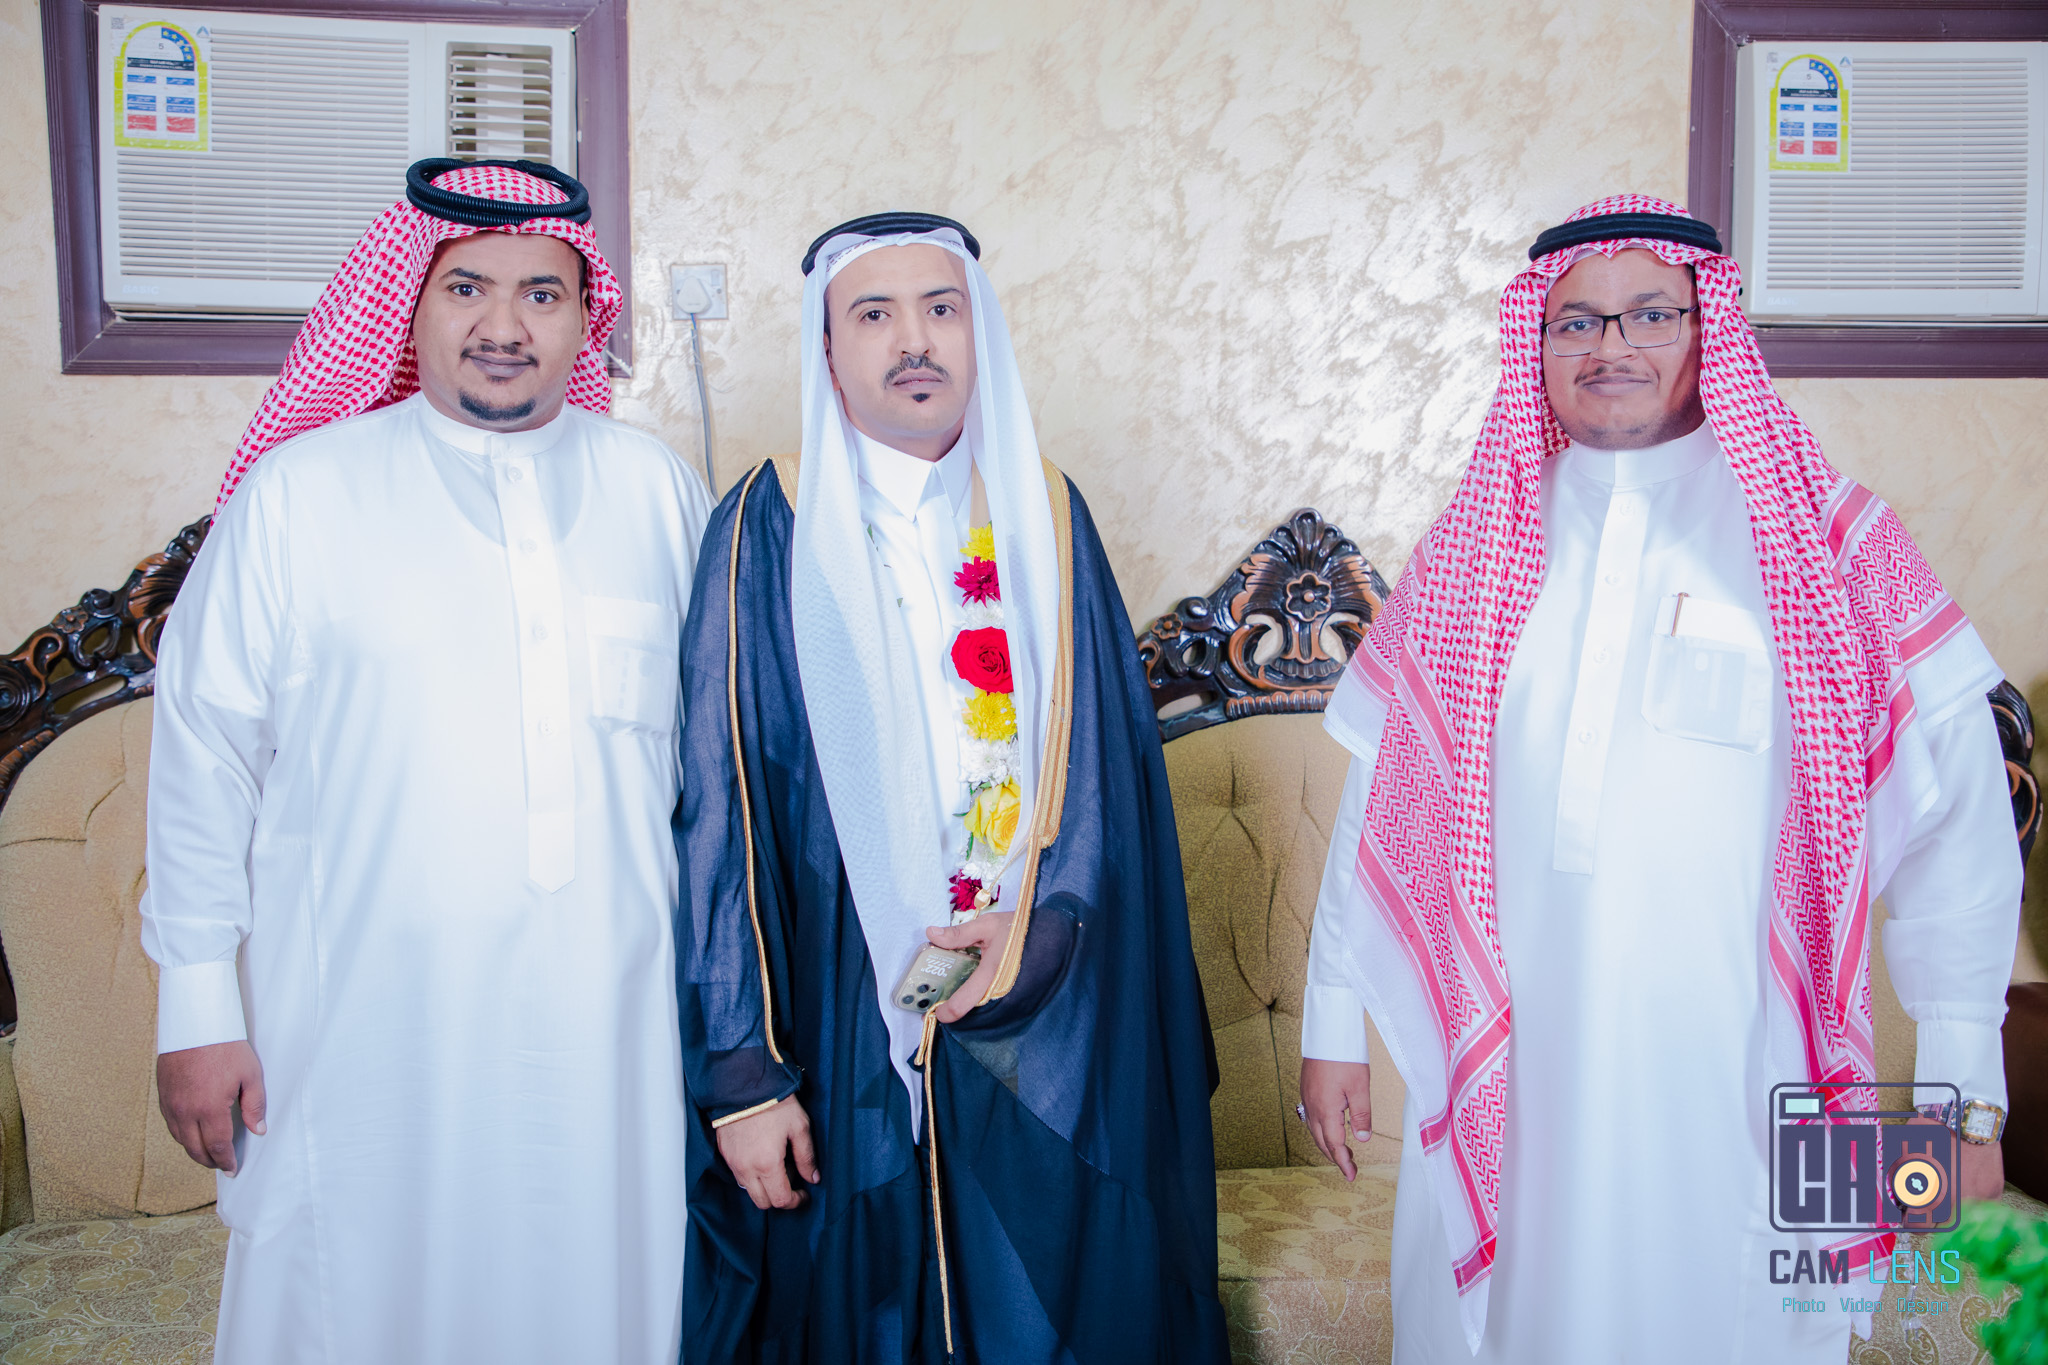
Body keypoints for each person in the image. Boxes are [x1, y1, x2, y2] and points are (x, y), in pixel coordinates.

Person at [1297, 196, 2020, 1364]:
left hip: (1738, 1069)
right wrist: (1332, 1021)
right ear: (1535, 343)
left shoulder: (1826, 544)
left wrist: (1961, 1095)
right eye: (1575, 322)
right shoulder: (1469, 554)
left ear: (1708, 328)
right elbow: (1381, 807)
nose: (1610, 347)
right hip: (1507, 1066)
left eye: (1648, 314)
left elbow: (1959, 829)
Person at [142, 159, 711, 1364]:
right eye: (466, 288)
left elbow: (721, 779)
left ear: (585, 319)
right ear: (408, 303)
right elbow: (203, 756)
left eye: (541, 294)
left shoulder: (659, 493)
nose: (504, 325)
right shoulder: (301, 497)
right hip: (358, 1032)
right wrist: (196, 1005)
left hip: (611, 1040)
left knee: (601, 1291)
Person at [672, 212, 1228, 1363]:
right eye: (872, 315)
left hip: (1040, 1006)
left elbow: (1106, 785)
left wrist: (1038, 933)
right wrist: (742, 1075)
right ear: (828, 351)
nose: (912, 341)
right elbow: (720, 812)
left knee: (1045, 1309)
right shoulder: (767, 524)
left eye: (940, 309)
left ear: (981, 336)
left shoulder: (1045, 515)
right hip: (835, 1008)